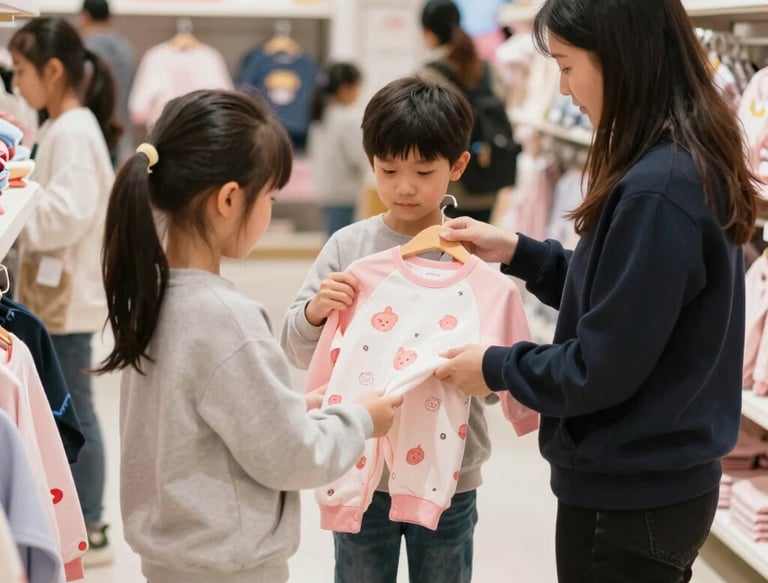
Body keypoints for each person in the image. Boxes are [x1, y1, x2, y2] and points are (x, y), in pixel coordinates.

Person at [434, 0, 759, 581]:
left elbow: (599, 366)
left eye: (565, 65)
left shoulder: (657, 190)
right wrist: (519, 252)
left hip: (630, 495)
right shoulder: (678, 162)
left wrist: (496, 367)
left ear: (619, 59)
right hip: (656, 482)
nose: (565, 88)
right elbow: (624, 301)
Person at [95, 88, 402, 583]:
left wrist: (298, 409)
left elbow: (201, 423)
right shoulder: (225, 317)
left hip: (172, 558)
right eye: (271, 198)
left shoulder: (151, 296)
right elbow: (292, 457)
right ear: (230, 199)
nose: (270, 211)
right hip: (229, 564)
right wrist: (359, 419)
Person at [281, 76, 497, 583]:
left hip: (451, 472)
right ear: (370, 160)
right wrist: (315, 311)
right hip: (362, 468)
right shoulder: (348, 247)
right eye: (389, 169)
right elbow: (294, 349)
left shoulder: (476, 255)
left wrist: (482, 369)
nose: (404, 186)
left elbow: (496, 383)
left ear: (457, 165)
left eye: (424, 171)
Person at [9, 16, 121, 566]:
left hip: (69, 299)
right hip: (60, 294)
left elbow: (66, 216)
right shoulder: (63, 127)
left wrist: (20, 191)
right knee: (72, 409)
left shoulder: (73, 130)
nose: (17, 82)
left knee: (75, 414)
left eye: (23, 70)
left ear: (54, 71)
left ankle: (93, 522)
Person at [419, 0, 509, 224]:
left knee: (448, 252)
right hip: (489, 180)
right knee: (480, 250)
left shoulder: (429, 74)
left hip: (453, 187)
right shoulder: (486, 68)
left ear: (429, 33)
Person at [308, 61, 368, 237]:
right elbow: (358, 156)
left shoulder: (321, 115)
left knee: (332, 237)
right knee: (341, 241)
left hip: (326, 188)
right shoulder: (347, 118)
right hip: (344, 191)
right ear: (345, 89)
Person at [79, 0, 136, 166]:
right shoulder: (125, 46)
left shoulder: (86, 48)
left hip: (94, 130)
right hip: (122, 131)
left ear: (85, 16)